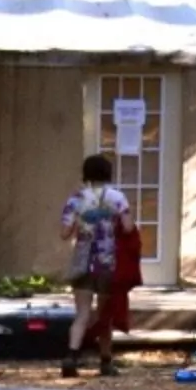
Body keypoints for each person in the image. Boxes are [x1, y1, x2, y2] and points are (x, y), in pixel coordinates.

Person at [59, 154, 134, 378]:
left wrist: (82, 226)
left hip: (83, 260)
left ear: (86, 174)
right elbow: (128, 228)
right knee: (104, 316)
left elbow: (64, 234)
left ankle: (71, 357)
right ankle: (105, 362)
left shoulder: (75, 200)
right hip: (108, 263)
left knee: (81, 314)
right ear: (108, 173)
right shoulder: (118, 198)